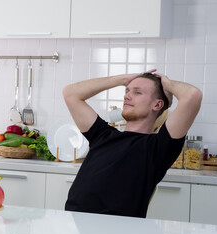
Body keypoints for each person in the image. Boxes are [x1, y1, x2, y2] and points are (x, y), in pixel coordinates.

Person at [62, 69, 202, 218]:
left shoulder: (158, 147)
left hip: (119, 229)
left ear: (157, 105)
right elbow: (70, 93)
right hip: (74, 222)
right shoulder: (103, 134)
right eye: (127, 91)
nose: (126, 96)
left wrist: (167, 84)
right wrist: (122, 79)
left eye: (137, 92)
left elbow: (192, 95)